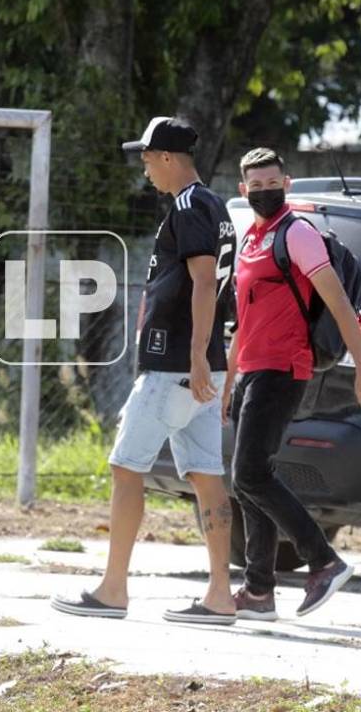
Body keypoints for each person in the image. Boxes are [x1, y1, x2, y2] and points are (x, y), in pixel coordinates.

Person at [51, 117, 238, 625]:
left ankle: (113, 590)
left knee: (125, 465)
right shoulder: (216, 207)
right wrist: (212, 362)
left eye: (148, 156)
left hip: (177, 365)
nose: (144, 166)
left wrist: (197, 355)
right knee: (206, 474)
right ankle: (220, 596)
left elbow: (204, 284)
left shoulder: (189, 205)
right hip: (200, 369)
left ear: (169, 159)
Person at [223, 147, 361, 620]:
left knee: (249, 474)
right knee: (250, 479)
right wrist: (230, 381)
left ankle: (323, 560)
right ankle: (257, 592)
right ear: (243, 189)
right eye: (257, 185)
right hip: (252, 370)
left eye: (274, 183)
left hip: (283, 368)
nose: (266, 191)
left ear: (287, 184)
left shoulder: (298, 235)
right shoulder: (251, 239)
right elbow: (244, 323)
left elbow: (338, 305)